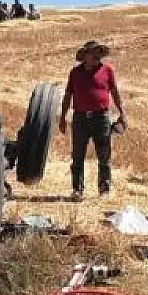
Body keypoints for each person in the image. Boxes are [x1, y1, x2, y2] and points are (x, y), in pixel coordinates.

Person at [58, 40, 128, 200]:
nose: (97, 57)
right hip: (80, 118)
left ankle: (104, 189)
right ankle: (77, 190)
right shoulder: (75, 72)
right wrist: (62, 118)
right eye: (94, 53)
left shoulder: (108, 70)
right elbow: (68, 96)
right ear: (86, 56)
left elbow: (115, 93)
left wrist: (122, 113)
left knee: (104, 154)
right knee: (77, 155)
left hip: (101, 117)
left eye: (99, 54)